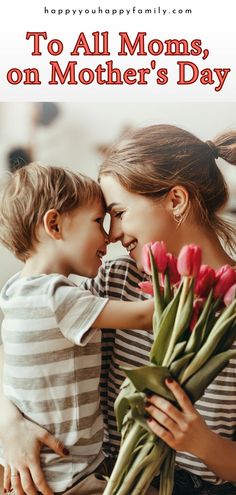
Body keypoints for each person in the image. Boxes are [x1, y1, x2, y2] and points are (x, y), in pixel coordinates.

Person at [0, 124, 236, 495]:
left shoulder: (231, 304)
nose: (111, 234)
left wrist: (201, 442)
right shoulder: (117, 279)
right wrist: (9, 424)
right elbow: (25, 345)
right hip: (104, 477)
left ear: (176, 200)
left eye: (120, 212)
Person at [0, 163, 154, 495]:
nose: (108, 237)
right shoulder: (57, 297)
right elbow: (144, 317)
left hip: (40, 470)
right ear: (54, 224)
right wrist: (196, 286)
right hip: (69, 474)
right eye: (99, 221)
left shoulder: (15, 291)